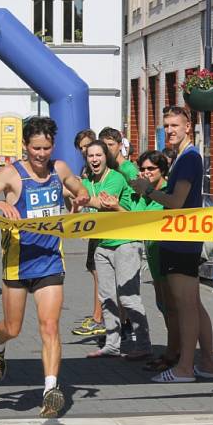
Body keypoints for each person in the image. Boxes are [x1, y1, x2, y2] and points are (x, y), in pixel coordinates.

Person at [0, 116, 90, 418]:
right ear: (25, 146)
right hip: (18, 263)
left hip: (50, 261)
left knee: (50, 327)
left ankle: (51, 390)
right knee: (13, 328)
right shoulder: (12, 174)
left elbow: (79, 187)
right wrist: (0, 205)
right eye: (35, 148)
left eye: (46, 148)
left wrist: (81, 196)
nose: (41, 155)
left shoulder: (59, 169)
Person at [130, 106, 213, 383]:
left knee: (186, 306)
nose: (169, 131)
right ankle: (208, 364)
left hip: (181, 240)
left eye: (174, 125)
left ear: (188, 126)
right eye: (166, 126)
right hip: (180, 239)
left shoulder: (189, 158)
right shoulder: (183, 156)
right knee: (193, 304)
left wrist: (148, 191)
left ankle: (184, 368)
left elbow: (177, 202)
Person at [82, 141, 152, 360]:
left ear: (106, 157)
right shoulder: (87, 181)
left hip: (126, 242)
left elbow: (102, 204)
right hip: (102, 245)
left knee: (128, 297)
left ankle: (143, 344)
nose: (94, 159)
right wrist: (70, 193)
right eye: (90, 155)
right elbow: (74, 202)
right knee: (107, 297)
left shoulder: (115, 178)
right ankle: (112, 344)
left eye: (98, 155)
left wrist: (78, 194)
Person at [117, 150, 177, 371]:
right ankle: (172, 352)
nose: (146, 172)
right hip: (152, 254)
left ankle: (175, 354)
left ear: (162, 170)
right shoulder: (142, 193)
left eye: (151, 169)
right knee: (163, 305)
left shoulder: (167, 192)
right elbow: (135, 218)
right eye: (143, 169)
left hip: (168, 253)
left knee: (172, 307)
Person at [69, 129, 105, 338]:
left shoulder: (110, 172)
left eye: (88, 146)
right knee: (95, 271)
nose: (85, 151)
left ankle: (99, 318)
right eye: (81, 148)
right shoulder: (86, 170)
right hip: (93, 227)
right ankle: (104, 316)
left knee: (99, 273)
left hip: (105, 230)